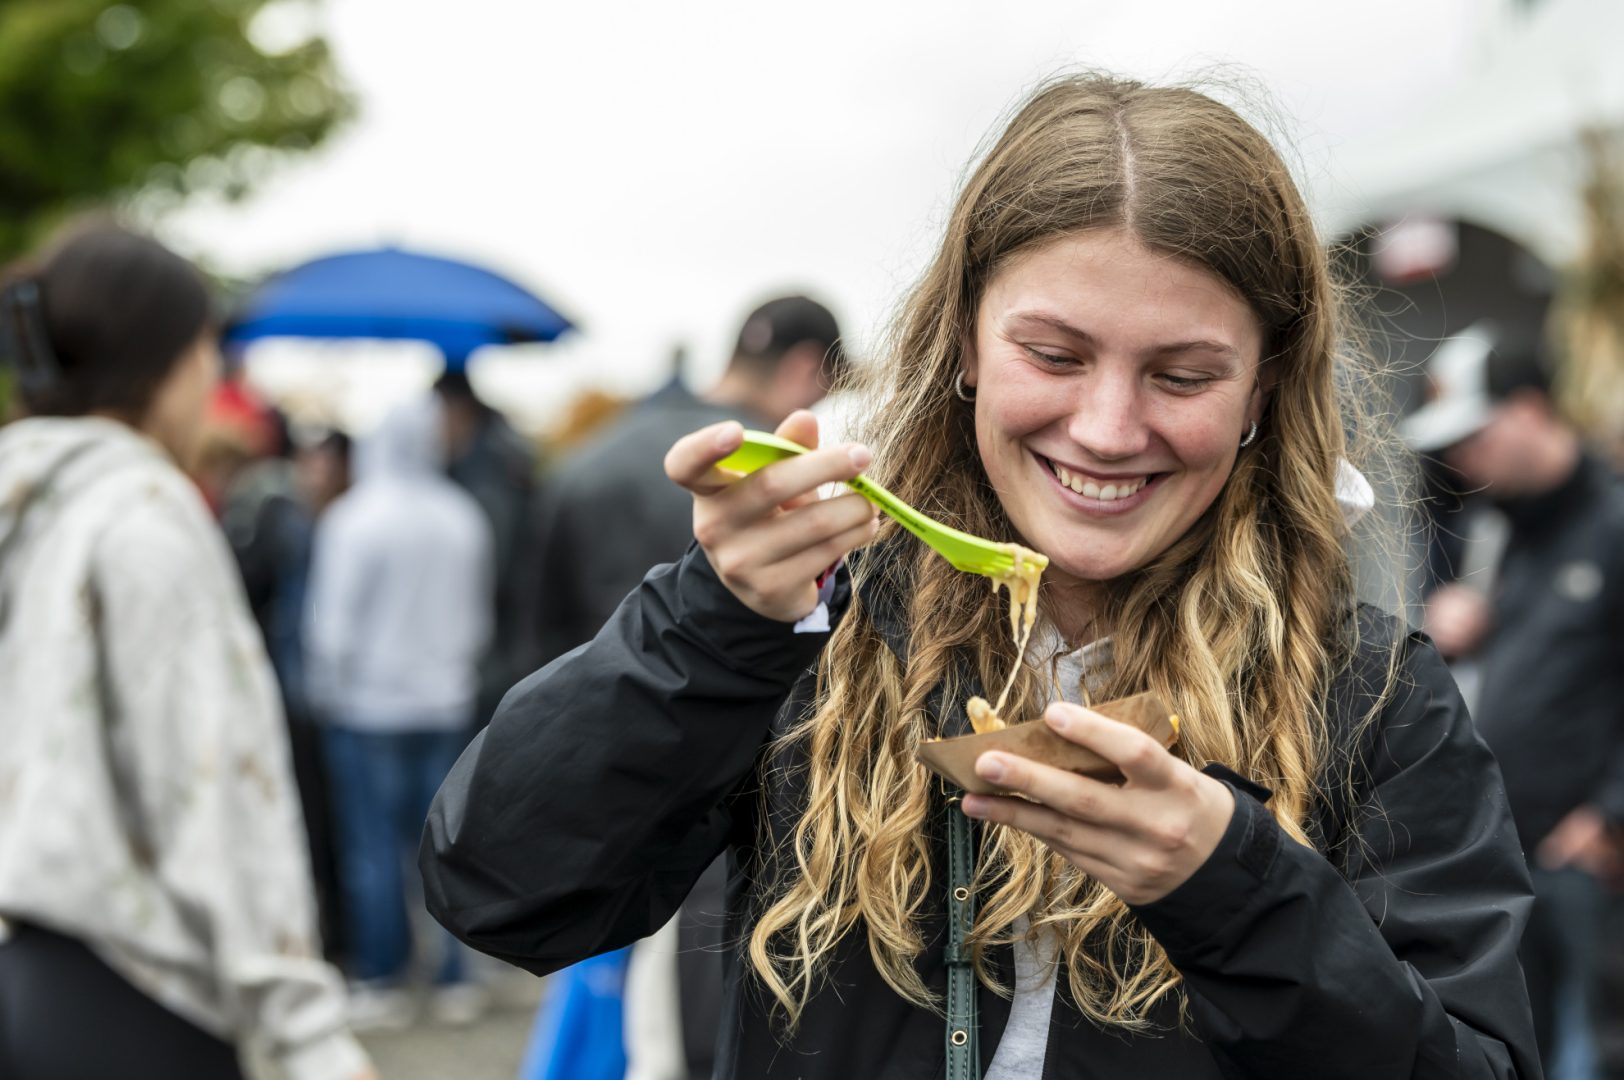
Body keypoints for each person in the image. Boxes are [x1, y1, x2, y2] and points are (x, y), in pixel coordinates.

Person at [422, 75, 1541, 1078]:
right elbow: (501, 892)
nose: (1106, 429)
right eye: (1052, 356)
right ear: (963, 341)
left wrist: (1234, 887)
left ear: (1263, 389)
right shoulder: (829, 627)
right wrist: (708, 625)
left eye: (1182, 374)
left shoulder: (1373, 698)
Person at [0, 223, 372, 1079]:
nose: (214, 376)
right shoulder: (144, 512)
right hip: (136, 989)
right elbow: (215, 783)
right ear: (162, 358)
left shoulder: (27, 503)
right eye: (208, 347)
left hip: (27, 967)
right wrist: (308, 1032)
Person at [1403, 322, 1624, 1077]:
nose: (1462, 457)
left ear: (1531, 411)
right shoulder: (1497, 534)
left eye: (1477, 432)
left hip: (1584, 861)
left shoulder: (1613, 526)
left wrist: (1609, 817)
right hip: (1504, 855)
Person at [304, 394, 494, 1026]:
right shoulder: (462, 516)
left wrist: (326, 691)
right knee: (446, 843)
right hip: (444, 702)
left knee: (371, 847)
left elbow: (331, 626)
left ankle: (382, 974)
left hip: (367, 707)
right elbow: (478, 619)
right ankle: (451, 975)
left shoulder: (354, 521)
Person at [533, 296, 844, 665]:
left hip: (575, 699)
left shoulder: (589, 452)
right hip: (710, 708)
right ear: (803, 369)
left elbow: (534, 621)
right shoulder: (782, 484)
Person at [434, 368, 542, 724]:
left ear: (457, 411)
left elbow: (492, 568)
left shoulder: (487, 473)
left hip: (496, 652)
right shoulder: (501, 458)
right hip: (509, 643)